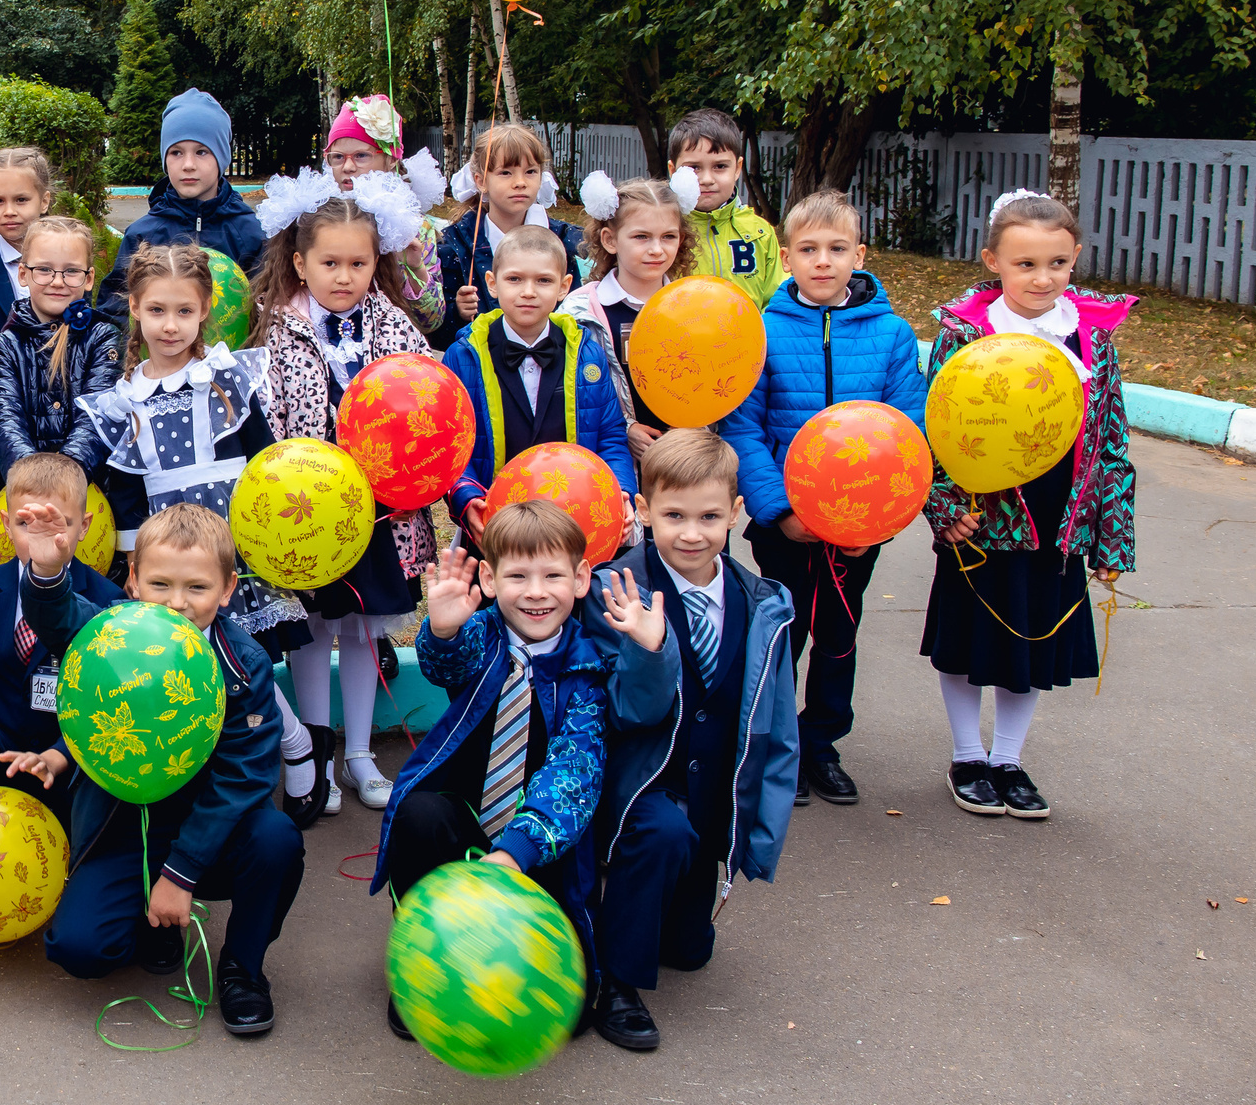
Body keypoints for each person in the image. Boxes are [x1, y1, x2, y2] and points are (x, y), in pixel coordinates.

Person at [13, 500, 303, 1038]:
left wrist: (180, 874)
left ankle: (242, 968)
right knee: (79, 950)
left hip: (211, 833)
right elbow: (59, 618)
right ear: (133, 580)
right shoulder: (112, 631)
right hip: (123, 826)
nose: (177, 603)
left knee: (276, 838)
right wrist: (48, 570)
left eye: (197, 587)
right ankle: (153, 922)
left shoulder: (245, 665)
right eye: (160, 584)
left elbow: (246, 776)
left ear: (228, 589)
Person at [74, 241, 314, 816]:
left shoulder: (227, 379)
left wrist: (269, 536)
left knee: (240, 655)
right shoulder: (125, 402)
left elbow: (266, 461)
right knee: (191, 657)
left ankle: (294, 742)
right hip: (171, 557)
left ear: (205, 310)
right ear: (134, 308)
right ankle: (205, 766)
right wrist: (137, 567)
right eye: (157, 310)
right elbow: (126, 495)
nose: (170, 325)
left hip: (232, 545)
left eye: (184, 311)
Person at [579, 431, 800, 1053]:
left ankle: (650, 913)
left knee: (689, 951)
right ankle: (615, 984)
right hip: (640, 781)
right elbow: (626, 713)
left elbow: (777, 723)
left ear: (735, 513)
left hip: (711, 792)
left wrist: (762, 828)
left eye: (709, 517)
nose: (692, 534)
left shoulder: (763, 601)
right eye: (674, 516)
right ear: (643, 510)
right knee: (661, 835)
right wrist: (648, 649)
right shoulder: (613, 591)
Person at [921, 190, 1135, 820]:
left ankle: (1008, 760)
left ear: (1076, 258)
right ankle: (968, 756)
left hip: (1060, 517)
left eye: (1057, 263)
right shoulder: (966, 334)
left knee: (1035, 641)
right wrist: (944, 507)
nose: (1043, 278)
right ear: (994, 262)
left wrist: (1112, 535)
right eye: (1026, 264)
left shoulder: (1093, 338)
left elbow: (1112, 439)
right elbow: (935, 427)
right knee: (969, 637)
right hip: (983, 518)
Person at [719, 192, 929, 807]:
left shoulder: (892, 335)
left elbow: (908, 429)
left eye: (837, 249)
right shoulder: (763, 332)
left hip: (860, 524)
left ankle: (821, 745)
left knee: (840, 632)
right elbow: (744, 428)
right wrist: (779, 510)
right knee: (783, 632)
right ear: (786, 258)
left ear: (859, 255)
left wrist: (878, 522)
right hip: (786, 523)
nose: (823, 261)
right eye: (808, 249)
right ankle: (772, 744)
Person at [372, 502, 607, 1043]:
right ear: (489, 577)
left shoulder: (587, 667)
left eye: (552, 576)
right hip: (466, 817)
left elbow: (574, 773)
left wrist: (518, 852)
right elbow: (447, 666)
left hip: (538, 844)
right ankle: (422, 962)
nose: (536, 593)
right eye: (517, 576)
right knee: (419, 814)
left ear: (580, 579)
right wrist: (442, 629)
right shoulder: (484, 632)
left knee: (570, 1013)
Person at [252, 169, 439, 813]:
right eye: (329, 263)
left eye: (358, 264)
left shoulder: (396, 328)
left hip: (383, 514)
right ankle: (316, 752)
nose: (343, 276)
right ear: (299, 264)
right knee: (313, 628)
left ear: (374, 262)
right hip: (312, 512)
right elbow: (271, 418)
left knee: (362, 630)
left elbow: (426, 404)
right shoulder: (279, 331)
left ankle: (359, 753)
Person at [0, 453, 123, 813]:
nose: (42, 536)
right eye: (26, 523)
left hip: (69, 752)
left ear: (84, 526)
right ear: (6, 524)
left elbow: (107, 701)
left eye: (59, 524)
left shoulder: (107, 599)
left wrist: (62, 752)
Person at [444, 226, 639, 543]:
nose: (528, 291)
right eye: (515, 279)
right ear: (492, 283)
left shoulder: (587, 354)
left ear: (564, 287)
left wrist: (621, 491)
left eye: (544, 281)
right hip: (494, 522)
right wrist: (467, 498)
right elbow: (452, 445)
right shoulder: (463, 356)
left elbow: (610, 436)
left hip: (573, 522)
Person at [556, 170, 702, 458]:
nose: (657, 249)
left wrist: (693, 431)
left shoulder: (697, 307)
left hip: (684, 459)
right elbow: (569, 392)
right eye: (641, 237)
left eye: (668, 236)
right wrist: (624, 428)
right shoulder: (581, 311)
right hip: (610, 458)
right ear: (610, 240)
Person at [95, 88, 265, 319]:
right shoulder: (142, 235)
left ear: (222, 158)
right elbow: (116, 311)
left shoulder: (251, 234)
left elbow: (270, 310)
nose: (188, 165)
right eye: (176, 152)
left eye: (202, 152)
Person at [0, 213, 122, 486]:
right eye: (44, 269)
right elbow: (4, 421)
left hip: (88, 488)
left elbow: (98, 416)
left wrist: (66, 478)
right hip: (29, 490)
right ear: (23, 273)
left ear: (89, 278)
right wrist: (34, 482)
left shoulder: (103, 337)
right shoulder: (4, 347)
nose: (57, 281)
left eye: (71, 271)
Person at [427, 122, 585, 350]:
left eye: (530, 172)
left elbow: (576, 314)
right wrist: (458, 312)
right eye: (506, 173)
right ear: (481, 181)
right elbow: (438, 335)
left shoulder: (561, 240)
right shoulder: (457, 245)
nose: (520, 182)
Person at [323, 95, 448, 332]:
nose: (347, 167)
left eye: (361, 156)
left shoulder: (415, 227)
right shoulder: (319, 221)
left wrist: (415, 268)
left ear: (390, 159)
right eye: (338, 157)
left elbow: (432, 320)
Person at [668, 108, 783, 309]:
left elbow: (777, 301)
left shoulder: (760, 233)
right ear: (673, 170)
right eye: (694, 167)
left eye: (720, 166)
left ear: (737, 168)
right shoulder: (663, 231)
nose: (707, 179)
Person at [0, 146, 54, 402]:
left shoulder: (69, 267)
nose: (9, 211)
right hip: (4, 405)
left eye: (21, 200)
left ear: (44, 201)